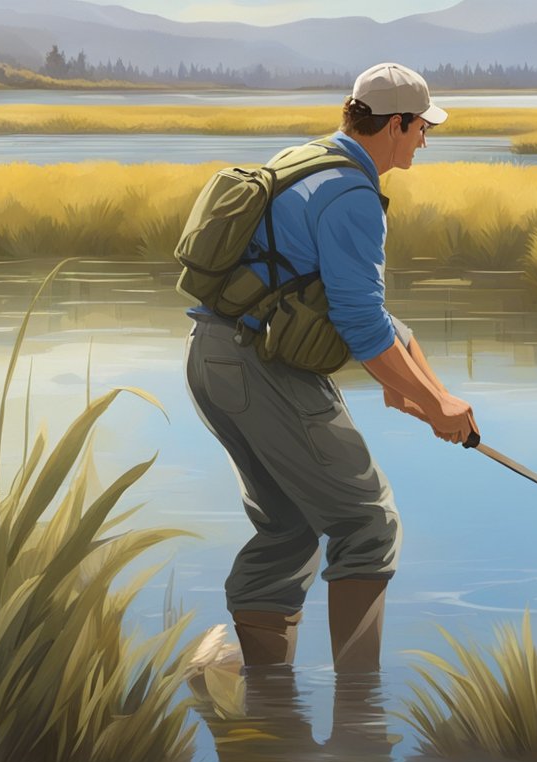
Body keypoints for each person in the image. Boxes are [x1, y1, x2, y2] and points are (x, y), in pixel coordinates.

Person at [184, 62, 477, 673]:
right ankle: (359, 718)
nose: (425, 139)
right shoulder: (353, 196)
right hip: (262, 370)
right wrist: (430, 402)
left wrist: (431, 397)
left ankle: (266, 701)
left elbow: (375, 316)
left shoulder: (312, 160)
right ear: (395, 124)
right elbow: (361, 324)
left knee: (288, 524)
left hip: (214, 356)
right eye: (423, 127)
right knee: (367, 523)